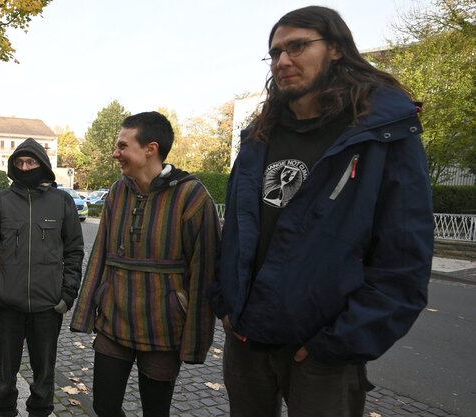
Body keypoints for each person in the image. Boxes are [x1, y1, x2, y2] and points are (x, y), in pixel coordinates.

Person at [209, 6, 434, 416]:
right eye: (274, 53)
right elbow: (237, 232)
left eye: (297, 47)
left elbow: (403, 263)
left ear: (334, 49)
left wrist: (335, 345)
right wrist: (224, 305)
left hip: (321, 355)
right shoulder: (258, 137)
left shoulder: (379, 136)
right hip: (245, 341)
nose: (282, 61)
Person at [70, 111, 220, 416]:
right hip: (114, 322)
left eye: (123, 146)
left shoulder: (192, 196)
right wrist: (86, 312)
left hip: (163, 329)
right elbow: (99, 255)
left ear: (150, 148)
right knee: (104, 406)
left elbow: (205, 272)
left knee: (155, 412)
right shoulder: (117, 192)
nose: (116, 154)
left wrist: (195, 341)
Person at [0, 138, 84, 417]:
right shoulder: (0, 202)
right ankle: (4, 412)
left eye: (31, 162)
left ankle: (40, 412)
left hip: (48, 306)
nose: (25, 168)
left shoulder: (62, 202)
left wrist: (68, 293)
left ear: (42, 165)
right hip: (7, 305)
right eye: (20, 163)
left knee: (44, 372)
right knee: (5, 372)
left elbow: (74, 251)